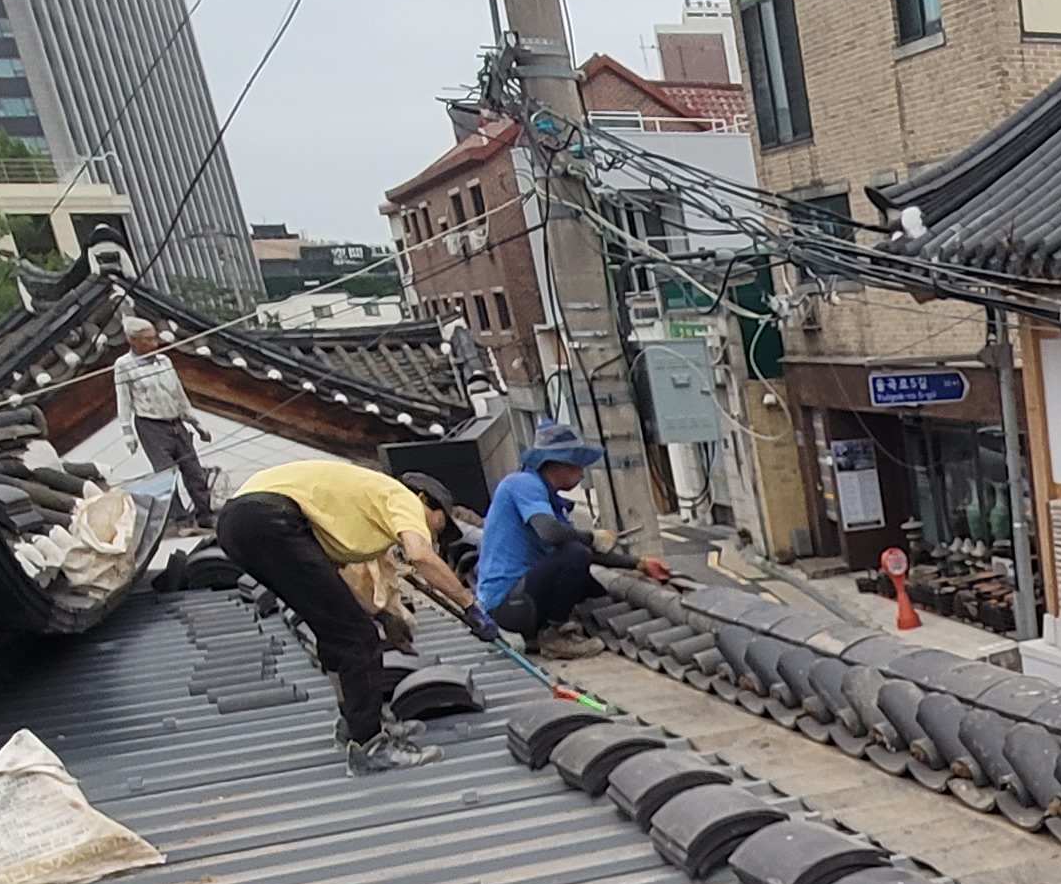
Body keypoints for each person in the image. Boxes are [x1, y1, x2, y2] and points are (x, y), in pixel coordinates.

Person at [217, 460, 477, 771]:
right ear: (424, 499)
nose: (436, 536)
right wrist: (469, 606)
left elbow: (336, 582)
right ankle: (370, 746)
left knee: (335, 629)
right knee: (357, 638)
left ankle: (354, 725)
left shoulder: (357, 510)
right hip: (268, 519)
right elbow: (421, 555)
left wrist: (381, 616)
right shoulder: (403, 497)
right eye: (440, 525)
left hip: (240, 524)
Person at [475, 419, 659, 653]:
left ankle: (543, 630)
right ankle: (555, 635)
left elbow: (577, 545)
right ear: (559, 464)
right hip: (507, 603)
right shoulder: (523, 484)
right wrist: (590, 537)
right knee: (576, 554)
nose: (582, 474)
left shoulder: (549, 501)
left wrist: (640, 564)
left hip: (522, 599)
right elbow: (553, 534)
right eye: (577, 465)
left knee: (591, 586)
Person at [115, 321, 216, 516]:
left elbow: (179, 395)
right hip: (150, 425)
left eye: (155, 338)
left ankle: (205, 513)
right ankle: (179, 519)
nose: (155, 344)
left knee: (194, 471)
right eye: (148, 340)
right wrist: (127, 432)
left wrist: (196, 423)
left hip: (175, 422)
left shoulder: (164, 361)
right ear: (133, 340)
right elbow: (124, 400)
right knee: (166, 476)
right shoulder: (123, 365)